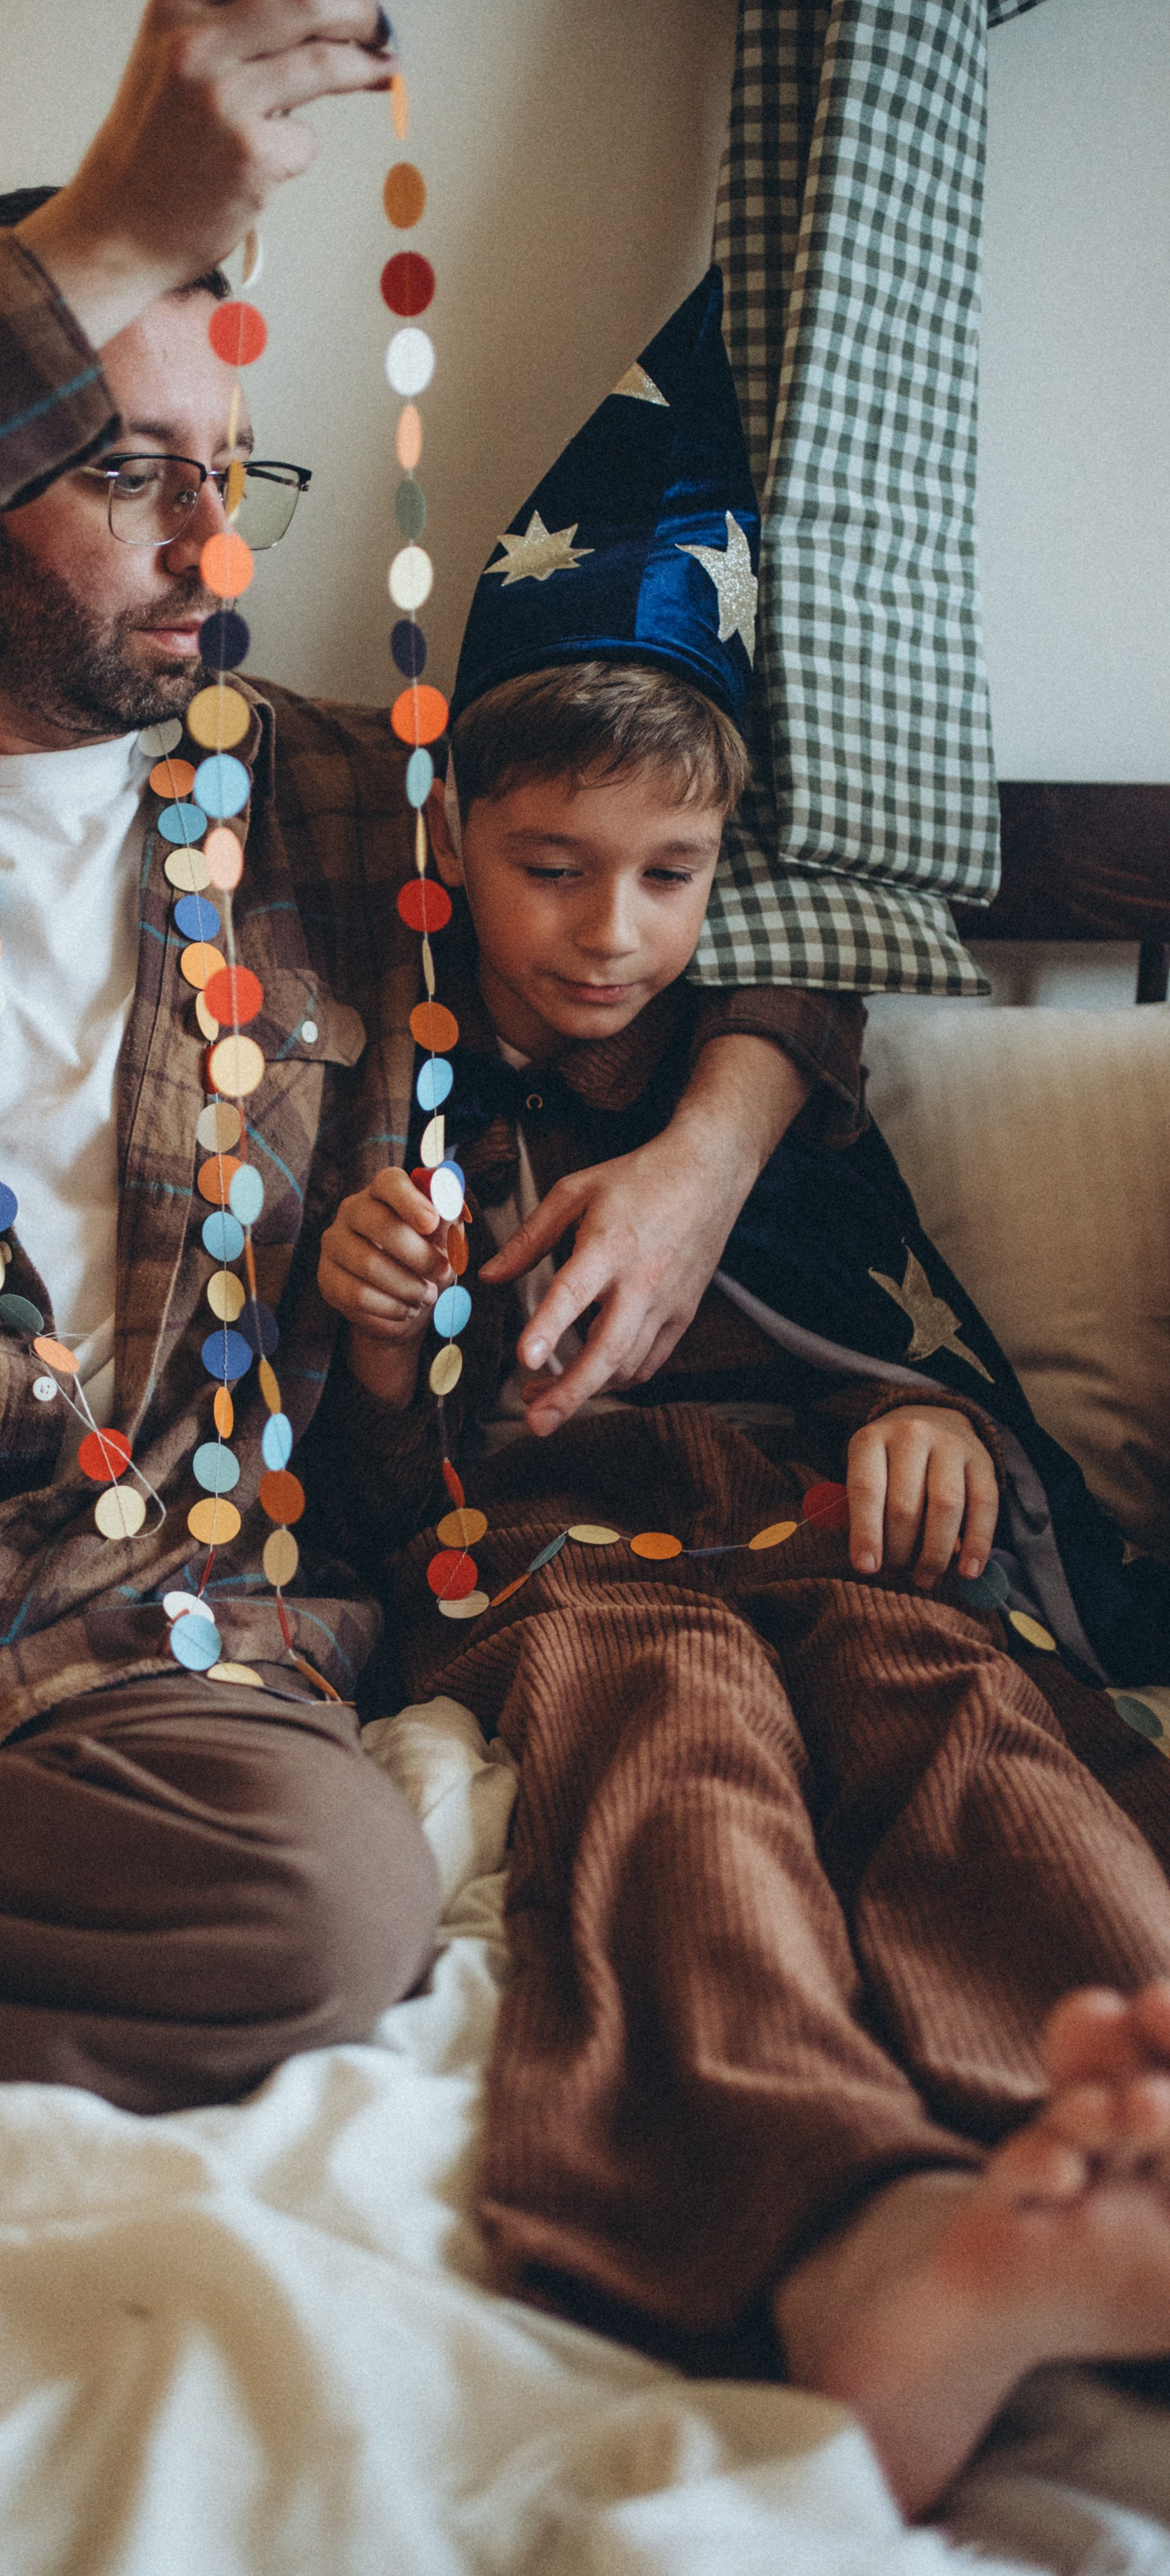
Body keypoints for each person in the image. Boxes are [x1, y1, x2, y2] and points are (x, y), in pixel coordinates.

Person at [0, 2, 864, 2100]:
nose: (216, 552)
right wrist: (101, 238)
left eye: (232, 477)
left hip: (117, 1626)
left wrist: (705, 1156)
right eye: (131, 475)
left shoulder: (352, 818)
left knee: (314, 1906)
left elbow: (767, 905)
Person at [311, 269, 1170, 2515]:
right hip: (573, 1569)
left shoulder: (768, 1098)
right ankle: (842, 2218)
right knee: (679, 1755)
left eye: (670, 878)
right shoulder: (397, 1090)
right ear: (454, 837)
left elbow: (917, 1351)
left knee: (961, 1714)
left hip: (838, 1541)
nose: (611, 932)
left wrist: (928, 1432)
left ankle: (1121, 2135)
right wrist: (382, 1341)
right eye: (552, 870)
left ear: (733, 876)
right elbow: (365, 1502)